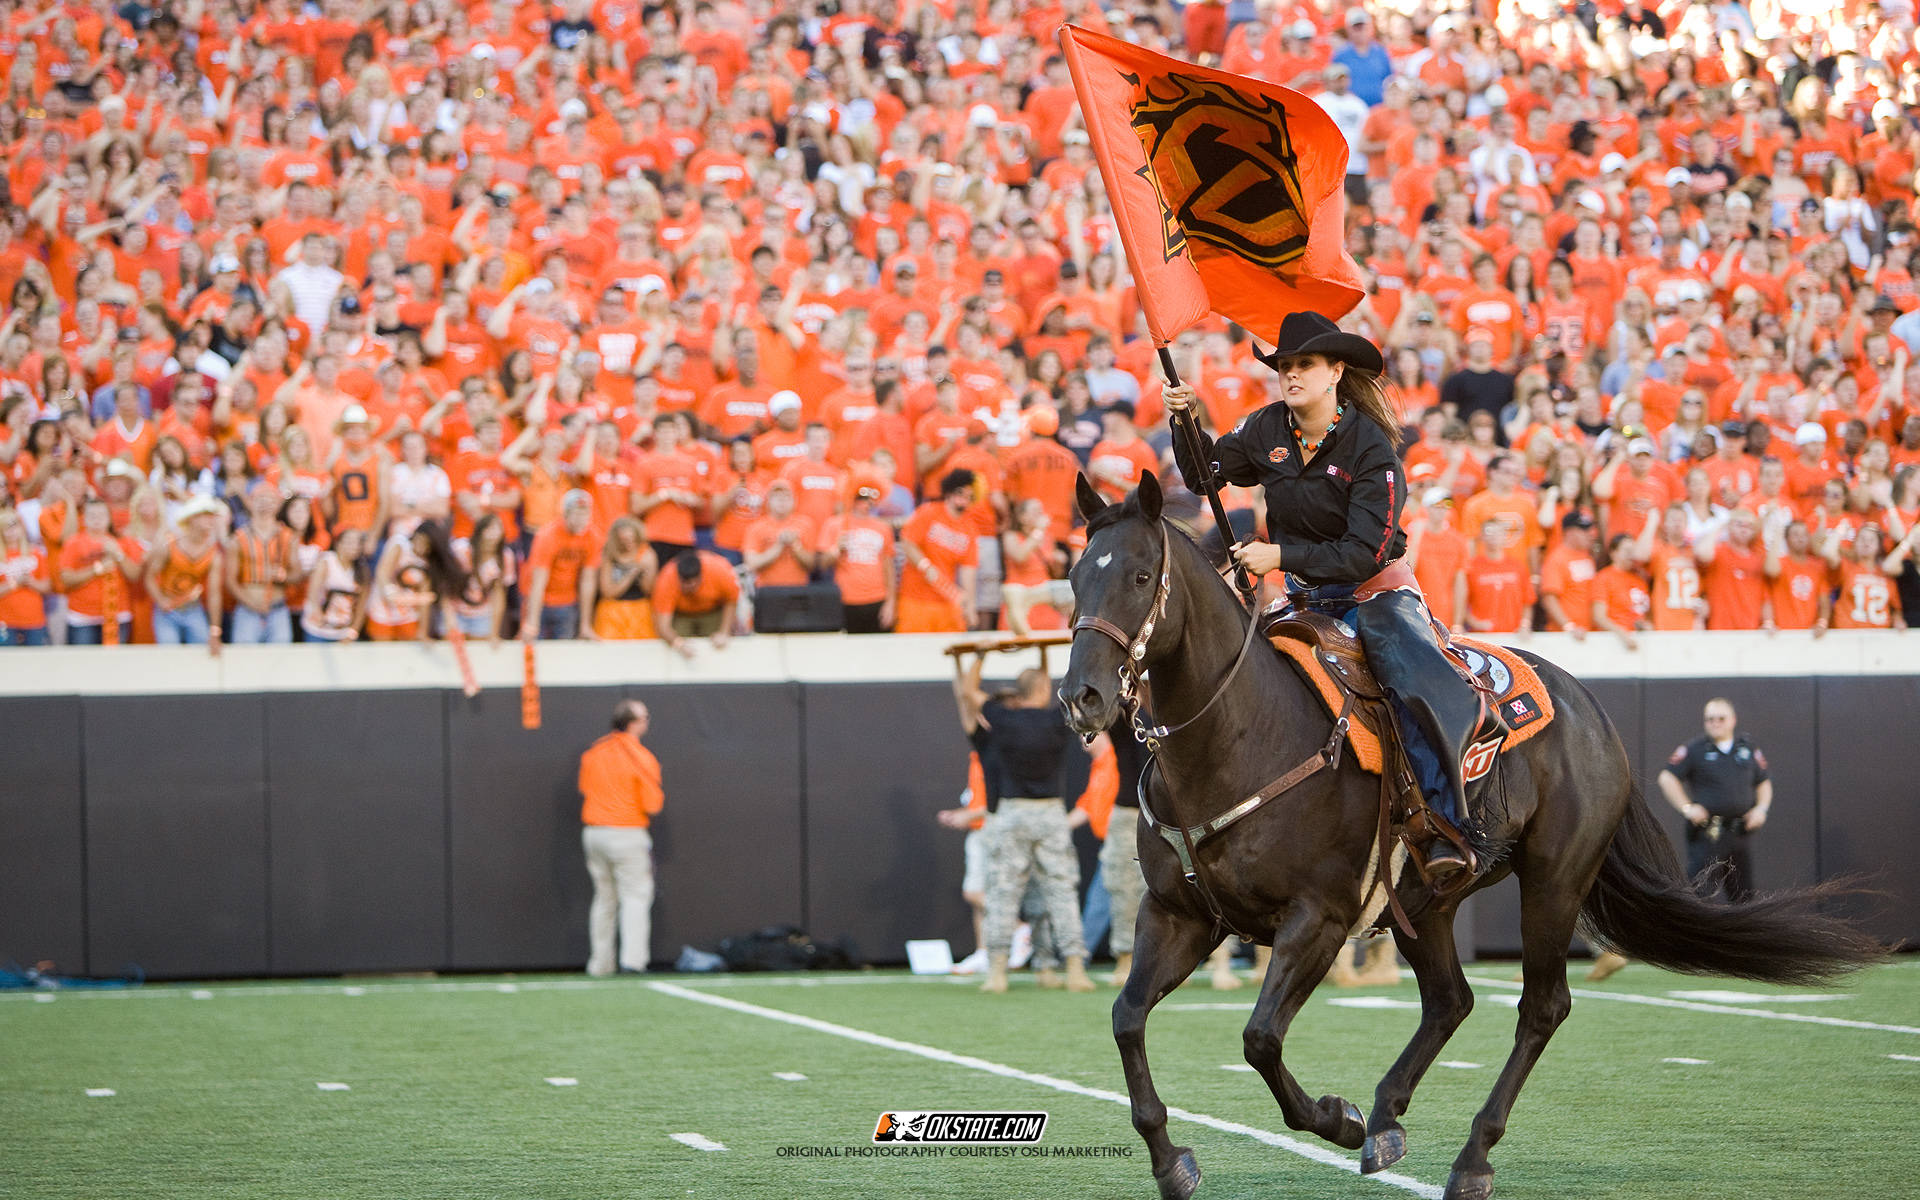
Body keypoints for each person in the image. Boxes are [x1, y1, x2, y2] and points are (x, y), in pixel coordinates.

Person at [1167, 312, 1492, 882]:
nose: (1290, 375)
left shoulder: (1373, 450)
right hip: (1304, 599)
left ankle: (1443, 823)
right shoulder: (1265, 428)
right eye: (1284, 366)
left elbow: (1366, 553)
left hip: (1374, 593)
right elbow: (1204, 477)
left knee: (1407, 677)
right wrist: (1186, 421)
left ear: (1335, 371)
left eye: (1304, 365)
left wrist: (1279, 557)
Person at [1588, 697, 1777, 983]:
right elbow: (1667, 777)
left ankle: (1746, 952)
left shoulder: (1747, 749)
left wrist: (1761, 809)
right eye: (1710, 719)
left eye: (1720, 718)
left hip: (1739, 833)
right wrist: (1689, 808)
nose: (1715, 723)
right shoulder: (1695, 749)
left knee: (1744, 895)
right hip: (1708, 832)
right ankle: (1700, 951)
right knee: (1702, 893)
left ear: (1733, 720)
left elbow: (1763, 781)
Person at [953, 652, 1095, 994]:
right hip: (1048, 812)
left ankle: (997, 971)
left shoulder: (1002, 720)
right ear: (1044, 688)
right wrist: (1044, 652)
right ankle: (1075, 968)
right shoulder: (1057, 720)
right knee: (1061, 891)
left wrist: (980, 657)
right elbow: (1058, 690)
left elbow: (969, 693)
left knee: (1002, 892)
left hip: (1011, 812)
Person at [578, 699, 664, 976]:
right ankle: (632, 962)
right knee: (636, 896)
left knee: (604, 899)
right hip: (626, 832)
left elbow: (584, 787)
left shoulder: (593, 753)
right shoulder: (641, 757)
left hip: (594, 833)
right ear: (635, 723)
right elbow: (653, 804)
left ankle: (600, 965)